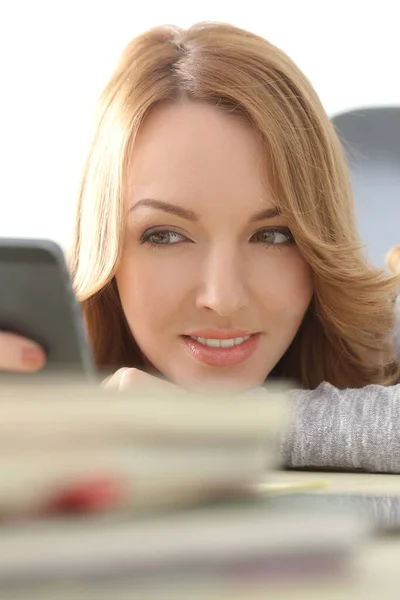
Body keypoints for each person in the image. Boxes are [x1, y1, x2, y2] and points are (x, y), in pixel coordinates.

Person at [1, 22, 399, 471]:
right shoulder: (38, 387)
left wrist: (215, 426)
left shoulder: (387, 331)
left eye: (273, 235)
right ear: (106, 245)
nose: (223, 297)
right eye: (166, 236)